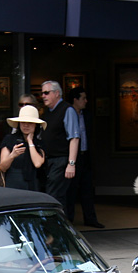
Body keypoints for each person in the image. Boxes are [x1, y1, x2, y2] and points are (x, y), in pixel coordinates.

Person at [40, 81, 79, 215]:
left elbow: (74, 138)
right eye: (42, 93)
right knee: (53, 195)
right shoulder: (47, 112)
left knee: (55, 196)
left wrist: (71, 163)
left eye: (46, 93)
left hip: (61, 160)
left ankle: (61, 230)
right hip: (49, 161)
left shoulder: (67, 110)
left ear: (57, 93)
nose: (43, 96)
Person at [65, 87, 102, 228]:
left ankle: (91, 218)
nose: (86, 101)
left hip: (85, 154)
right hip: (73, 157)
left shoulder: (87, 115)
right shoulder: (68, 114)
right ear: (75, 99)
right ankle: (69, 220)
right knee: (71, 190)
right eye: (83, 98)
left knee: (87, 188)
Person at [0, 105, 46, 191]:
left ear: (36, 125)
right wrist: (12, 155)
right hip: (12, 185)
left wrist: (30, 142)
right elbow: (3, 167)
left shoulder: (39, 143)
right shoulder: (10, 139)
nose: (26, 125)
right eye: (23, 122)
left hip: (33, 185)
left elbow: (38, 163)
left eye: (30, 123)